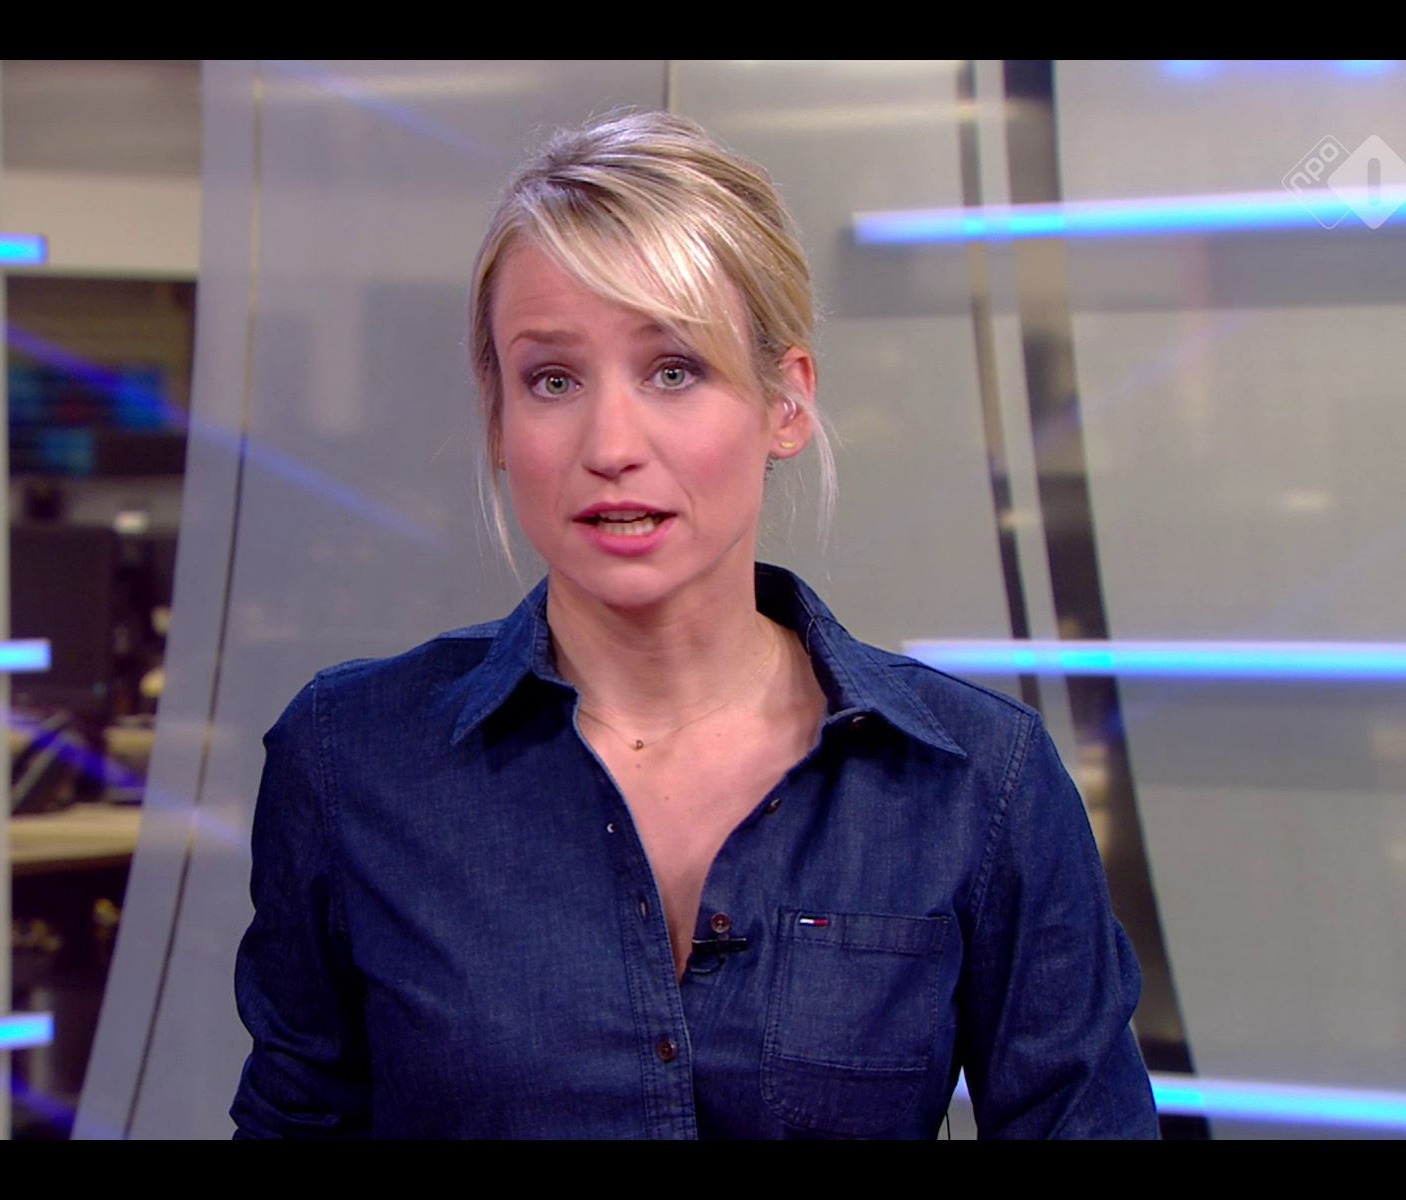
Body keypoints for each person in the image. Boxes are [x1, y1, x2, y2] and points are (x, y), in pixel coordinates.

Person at [231, 109, 1159, 1139]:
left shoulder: (980, 782)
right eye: (552, 380)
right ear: (499, 418)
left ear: (786, 404)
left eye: (673, 370)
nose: (610, 444)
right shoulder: (352, 758)